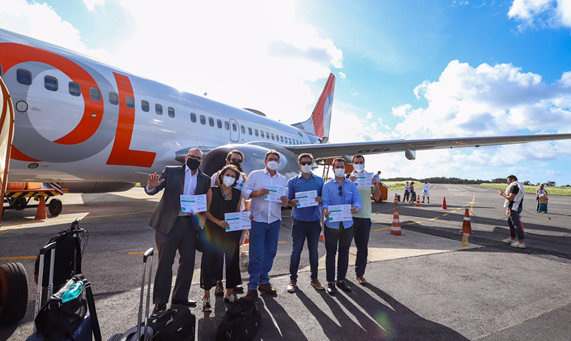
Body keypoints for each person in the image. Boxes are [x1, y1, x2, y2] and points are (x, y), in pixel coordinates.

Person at [145, 147, 211, 313]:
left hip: (189, 225)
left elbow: (202, 202)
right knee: (165, 263)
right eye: (192, 156)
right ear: (187, 157)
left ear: (201, 161)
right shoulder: (171, 171)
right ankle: (160, 302)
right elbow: (155, 188)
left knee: (188, 262)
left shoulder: (205, 179)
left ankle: (180, 297)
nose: (195, 159)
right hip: (168, 223)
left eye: (199, 157)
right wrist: (151, 187)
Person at [241, 150, 288, 300]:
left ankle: (264, 280)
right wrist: (257, 193)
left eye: (275, 159)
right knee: (256, 253)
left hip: (274, 219)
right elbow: (244, 191)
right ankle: (252, 285)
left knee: (270, 252)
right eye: (270, 159)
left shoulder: (282, 179)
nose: (273, 161)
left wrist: (285, 201)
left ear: (278, 163)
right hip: (258, 219)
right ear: (265, 161)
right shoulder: (255, 174)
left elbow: (283, 199)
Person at [200, 165, 244, 312]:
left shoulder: (238, 193)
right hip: (213, 231)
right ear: (221, 176)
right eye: (227, 175)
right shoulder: (212, 191)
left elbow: (238, 212)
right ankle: (206, 297)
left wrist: (245, 218)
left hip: (231, 232)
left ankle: (229, 293)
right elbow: (205, 211)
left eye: (233, 176)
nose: (230, 178)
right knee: (210, 262)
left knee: (232, 262)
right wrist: (218, 222)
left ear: (236, 179)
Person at [322, 157, 362, 295]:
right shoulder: (327, 185)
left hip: (347, 224)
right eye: (337, 167)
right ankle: (330, 282)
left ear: (346, 169)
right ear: (333, 169)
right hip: (331, 225)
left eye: (342, 167)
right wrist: (325, 209)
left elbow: (357, 199)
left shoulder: (351, 185)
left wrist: (356, 207)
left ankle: (341, 280)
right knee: (331, 254)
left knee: (344, 253)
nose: (339, 169)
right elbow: (325, 201)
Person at [210, 149, 248, 294]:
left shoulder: (243, 178)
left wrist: (245, 217)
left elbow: (246, 198)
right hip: (219, 219)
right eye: (233, 159)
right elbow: (212, 194)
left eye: (239, 160)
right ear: (227, 160)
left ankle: (233, 282)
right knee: (218, 253)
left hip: (237, 219)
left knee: (233, 254)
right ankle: (218, 282)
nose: (236, 162)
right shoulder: (216, 175)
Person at [286, 153, 325, 292]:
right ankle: (292, 279)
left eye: (309, 163)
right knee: (296, 251)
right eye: (303, 163)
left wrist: (321, 200)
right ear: (299, 165)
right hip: (299, 222)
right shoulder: (292, 182)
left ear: (312, 163)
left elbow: (324, 200)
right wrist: (292, 202)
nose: (306, 165)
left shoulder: (320, 181)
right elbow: (287, 201)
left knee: (314, 251)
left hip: (314, 221)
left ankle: (314, 278)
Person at [348, 155, 380, 285]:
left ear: (364, 163)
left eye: (361, 162)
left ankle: (360, 274)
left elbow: (377, 197)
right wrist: (348, 182)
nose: (359, 164)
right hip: (348, 218)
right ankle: (341, 274)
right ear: (353, 164)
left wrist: (376, 185)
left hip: (365, 217)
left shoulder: (369, 178)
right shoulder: (347, 178)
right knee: (344, 247)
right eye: (356, 162)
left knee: (362, 248)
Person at [499, 175, 526, 249]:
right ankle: (512, 238)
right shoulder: (519, 186)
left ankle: (521, 242)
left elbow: (511, 198)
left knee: (516, 224)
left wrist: (503, 194)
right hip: (518, 207)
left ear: (512, 180)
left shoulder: (514, 187)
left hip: (514, 208)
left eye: (508, 180)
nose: (508, 182)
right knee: (510, 222)